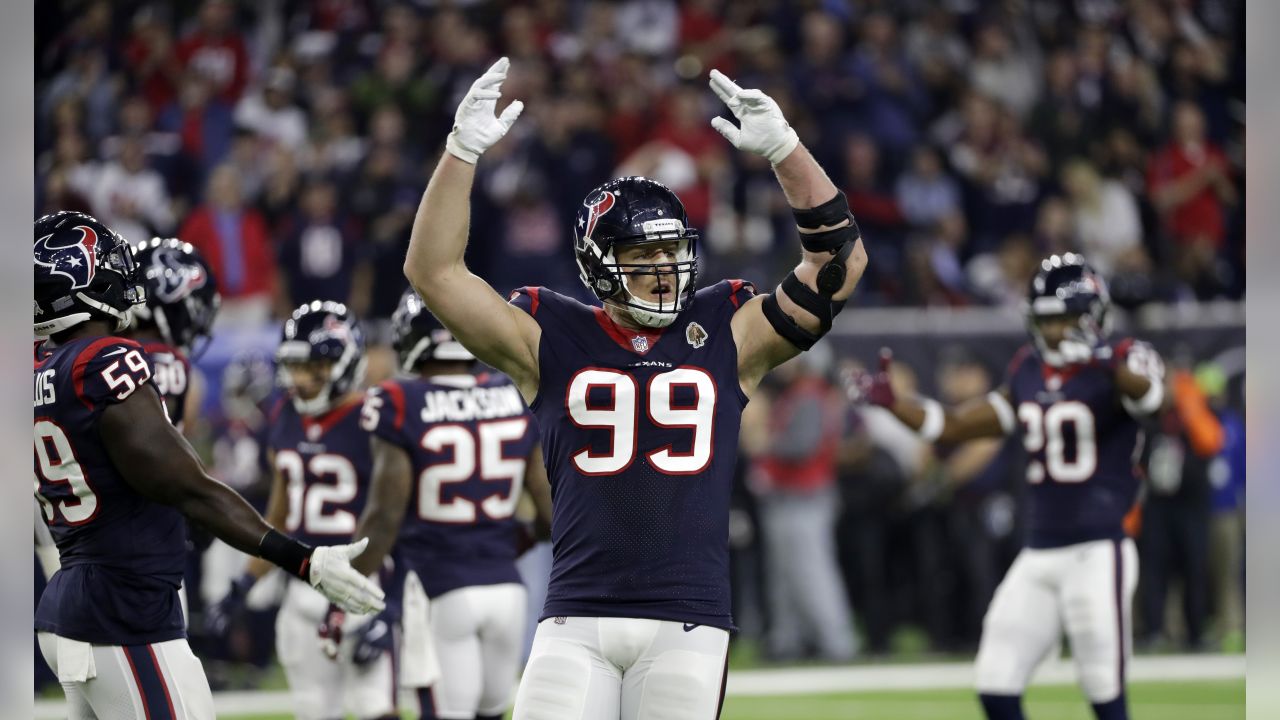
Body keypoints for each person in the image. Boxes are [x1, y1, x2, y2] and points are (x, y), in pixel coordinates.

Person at [403, 58, 867, 720]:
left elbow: (839, 268)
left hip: (688, 620)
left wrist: (787, 151)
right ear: (598, 265)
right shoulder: (549, 335)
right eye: (641, 256)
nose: (662, 269)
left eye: (670, 249)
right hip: (574, 617)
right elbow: (434, 272)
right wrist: (460, 154)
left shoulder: (727, 328)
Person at [33, 211, 383, 719]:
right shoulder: (105, 360)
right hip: (126, 608)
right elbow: (190, 489)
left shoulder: (41, 367)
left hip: (71, 599)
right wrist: (302, 560)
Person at [847, 253, 1166, 720]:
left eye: (1060, 320)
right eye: (1044, 320)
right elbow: (954, 425)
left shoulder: (1121, 359)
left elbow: (1154, 398)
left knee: (1103, 688)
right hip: (1039, 551)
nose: (1051, 332)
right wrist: (895, 404)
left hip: (1098, 550)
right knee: (996, 681)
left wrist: (1103, 361)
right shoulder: (1027, 369)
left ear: (1089, 317)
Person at [351, 288, 553, 720]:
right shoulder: (511, 395)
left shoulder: (400, 402)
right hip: (507, 590)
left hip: (437, 589)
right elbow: (552, 515)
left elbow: (384, 517)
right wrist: (511, 541)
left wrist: (348, 588)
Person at [210, 301, 397, 720]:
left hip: (365, 587)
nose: (300, 378)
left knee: (377, 708)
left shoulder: (375, 417)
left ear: (344, 361)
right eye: (294, 366)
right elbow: (279, 519)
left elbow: (399, 518)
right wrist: (242, 585)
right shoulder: (285, 416)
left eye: (312, 366)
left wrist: (396, 606)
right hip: (303, 590)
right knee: (313, 711)